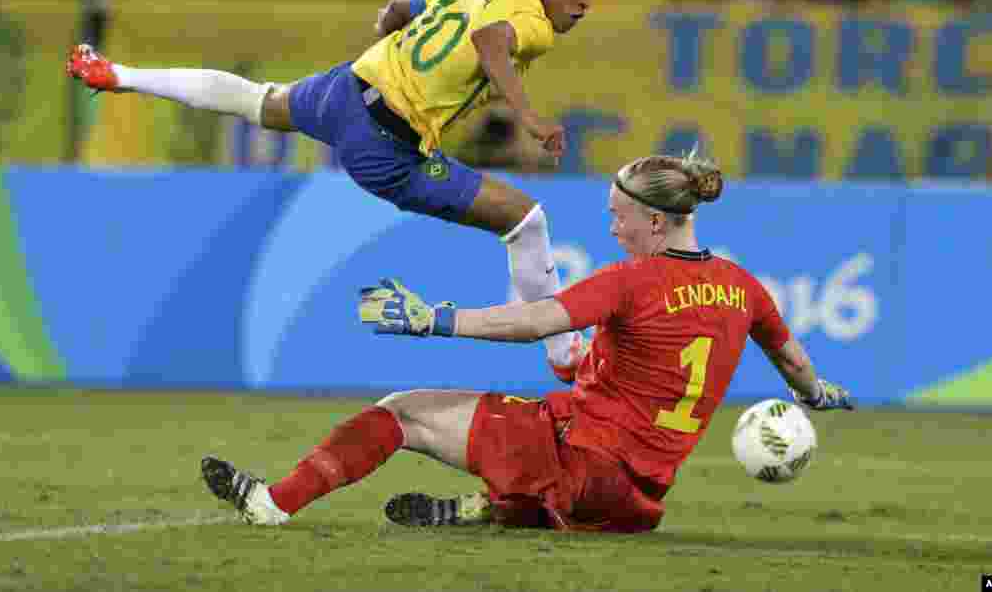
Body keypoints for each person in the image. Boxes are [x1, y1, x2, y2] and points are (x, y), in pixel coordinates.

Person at [65, 0, 595, 380]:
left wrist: (398, 30)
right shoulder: (534, 23)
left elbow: (402, 9)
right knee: (526, 220)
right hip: (389, 149)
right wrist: (529, 116)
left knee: (259, 101)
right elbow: (489, 41)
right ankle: (564, 352)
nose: (584, 1)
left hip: (346, 90)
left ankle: (119, 75)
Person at [200, 151, 854, 533]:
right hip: (638, 504)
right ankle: (499, 505)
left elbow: (536, 321)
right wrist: (818, 394)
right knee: (556, 406)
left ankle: (270, 503)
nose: (611, 223)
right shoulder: (742, 286)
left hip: (582, 460)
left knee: (402, 411)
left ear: (655, 220)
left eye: (619, 214)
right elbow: (795, 362)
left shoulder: (632, 280)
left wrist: (437, 319)